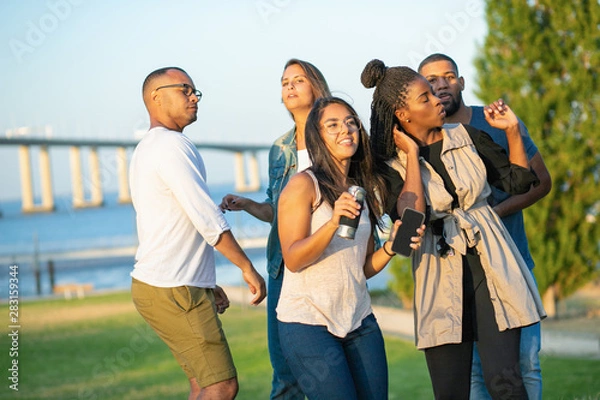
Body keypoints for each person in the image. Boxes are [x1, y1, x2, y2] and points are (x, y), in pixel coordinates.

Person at [361, 59, 546, 399]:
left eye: (434, 92)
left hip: (493, 267)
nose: (436, 99)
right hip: (438, 276)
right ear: (403, 115)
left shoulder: (469, 136)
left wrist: (512, 130)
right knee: (451, 392)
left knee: (506, 382)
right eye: (425, 97)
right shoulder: (388, 169)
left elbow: (519, 181)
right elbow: (409, 224)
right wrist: (413, 156)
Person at [418, 53, 552, 400]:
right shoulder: (420, 139)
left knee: (524, 365)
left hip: (511, 263)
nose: (440, 84)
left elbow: (539, 181)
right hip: (458, 277)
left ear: (461, 82)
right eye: (430, 79)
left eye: (448, 76)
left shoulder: (493, 121)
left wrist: (491, 215)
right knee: (475, 375)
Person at [129, 66, 267, 400]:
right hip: (173, 288)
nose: (194, 97)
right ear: (155, 97)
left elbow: (174, 225)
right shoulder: (171, 146)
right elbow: (206, 219)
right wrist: (247, 268)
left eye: (195, 92)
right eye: (184, 90)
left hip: (166, 284)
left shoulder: (150, 147)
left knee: (203, 384)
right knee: (222, 386)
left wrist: (206, 281)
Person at [276, 96, 422, 400]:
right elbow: (292, 258)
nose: (346, 129)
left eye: (351, 122)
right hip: (308, 323)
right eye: (333, 125)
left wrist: (392, 247)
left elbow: (363, 267)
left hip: (359, 320)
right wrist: (332, 224)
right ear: (317, 135)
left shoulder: (360, 190)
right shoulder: (304, 185)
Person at [219, 58, 331, 399]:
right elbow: (277, 212)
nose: (290, 86)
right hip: (285, 267)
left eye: (298, 80)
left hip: (331, 262)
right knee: (285, 370)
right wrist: (249, 205)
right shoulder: (279, 149)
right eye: (284, 82)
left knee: (334, 364)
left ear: (316, 86)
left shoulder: (336, 136)